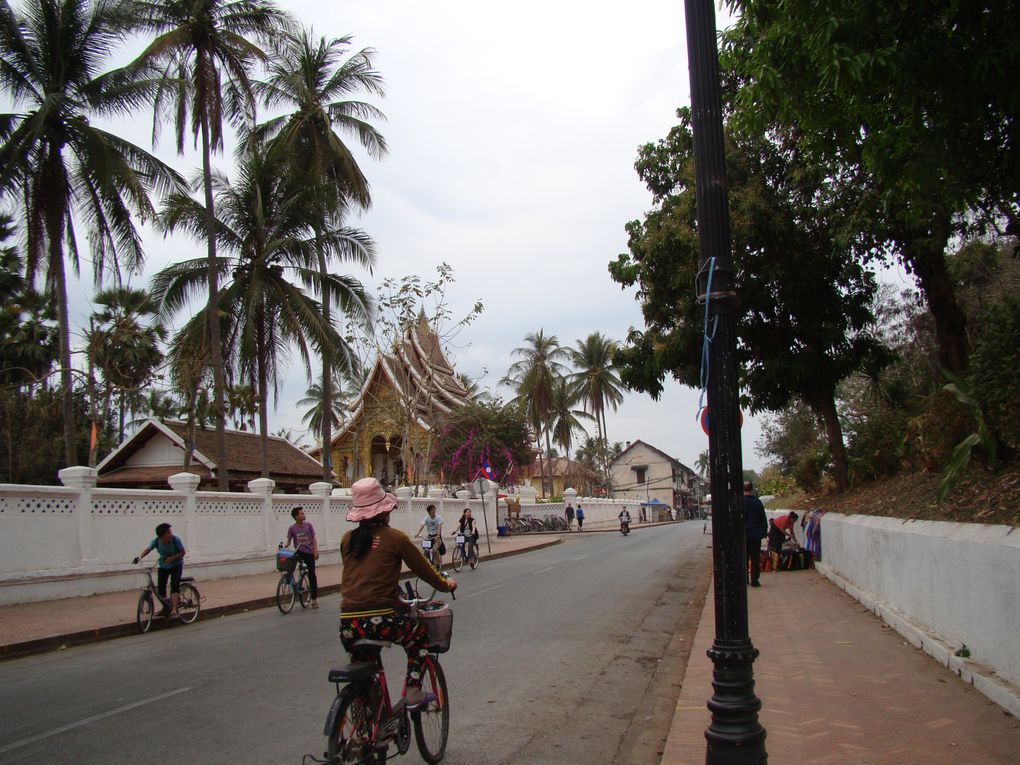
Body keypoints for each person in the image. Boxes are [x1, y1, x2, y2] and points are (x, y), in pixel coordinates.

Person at [340, 478, 456, 709]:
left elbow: (363, 578)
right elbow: (425, 571)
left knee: (363, 664)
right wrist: (446, 584)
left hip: (348, 624)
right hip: (381, 620)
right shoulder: (395, 538)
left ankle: (366, 719)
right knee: (419, 637)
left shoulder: (348, 540)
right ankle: (413, 690)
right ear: (384, 510)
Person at [133, 523, 185, 618]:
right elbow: (148, 549)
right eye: (168, 533)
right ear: (162, 536)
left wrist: (173, 558)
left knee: (174, 585)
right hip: (164, 565)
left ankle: (173, 610)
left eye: (170, 532)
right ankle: (165, 608)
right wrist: (139, 557)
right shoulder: (156, 541)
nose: (171, 534)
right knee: (161, 587)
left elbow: (183, 552)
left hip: (177, 564)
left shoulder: (175, 540)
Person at [285, 506, 319, 608]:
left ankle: (314, 599)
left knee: (312, 574)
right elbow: (288, 541)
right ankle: (291, 585)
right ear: (296, 516)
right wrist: (284, 547)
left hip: (309, 553)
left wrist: (316, 551)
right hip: (298, 552)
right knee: (289, 568)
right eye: (301, 513)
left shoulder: (308, 526)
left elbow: (313, 539)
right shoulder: (292, 528)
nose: (303, 515)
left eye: (303, 513)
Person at [743, 481, 768, 588]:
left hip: (743, 535)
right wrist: (763, 532)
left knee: (743, 558)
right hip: (755, 535)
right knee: (754, 558)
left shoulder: (740, 502)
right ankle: (754, 580)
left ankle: (744, 580)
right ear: (752, 489)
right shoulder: (757, 502)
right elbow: (763, 519)